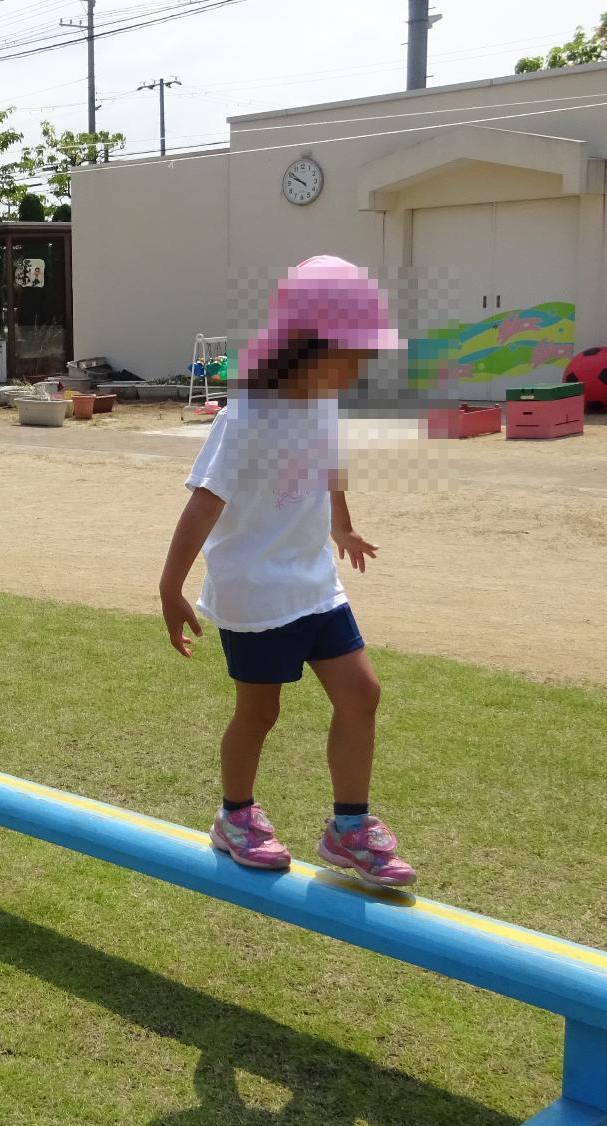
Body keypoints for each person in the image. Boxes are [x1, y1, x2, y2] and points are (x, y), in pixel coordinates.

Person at [157, 255, 415, 889]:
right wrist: (170, 586)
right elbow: (204, 498)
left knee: (363, 693)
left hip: (314, 581)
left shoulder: (323, 405)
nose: (356, 370)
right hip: (255, 591)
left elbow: (330, 470)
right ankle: (235, 815)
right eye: (349, 355)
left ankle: (348, 828)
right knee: (260, 710)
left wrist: (343, 525)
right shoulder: (245, 417)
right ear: (303, 345)